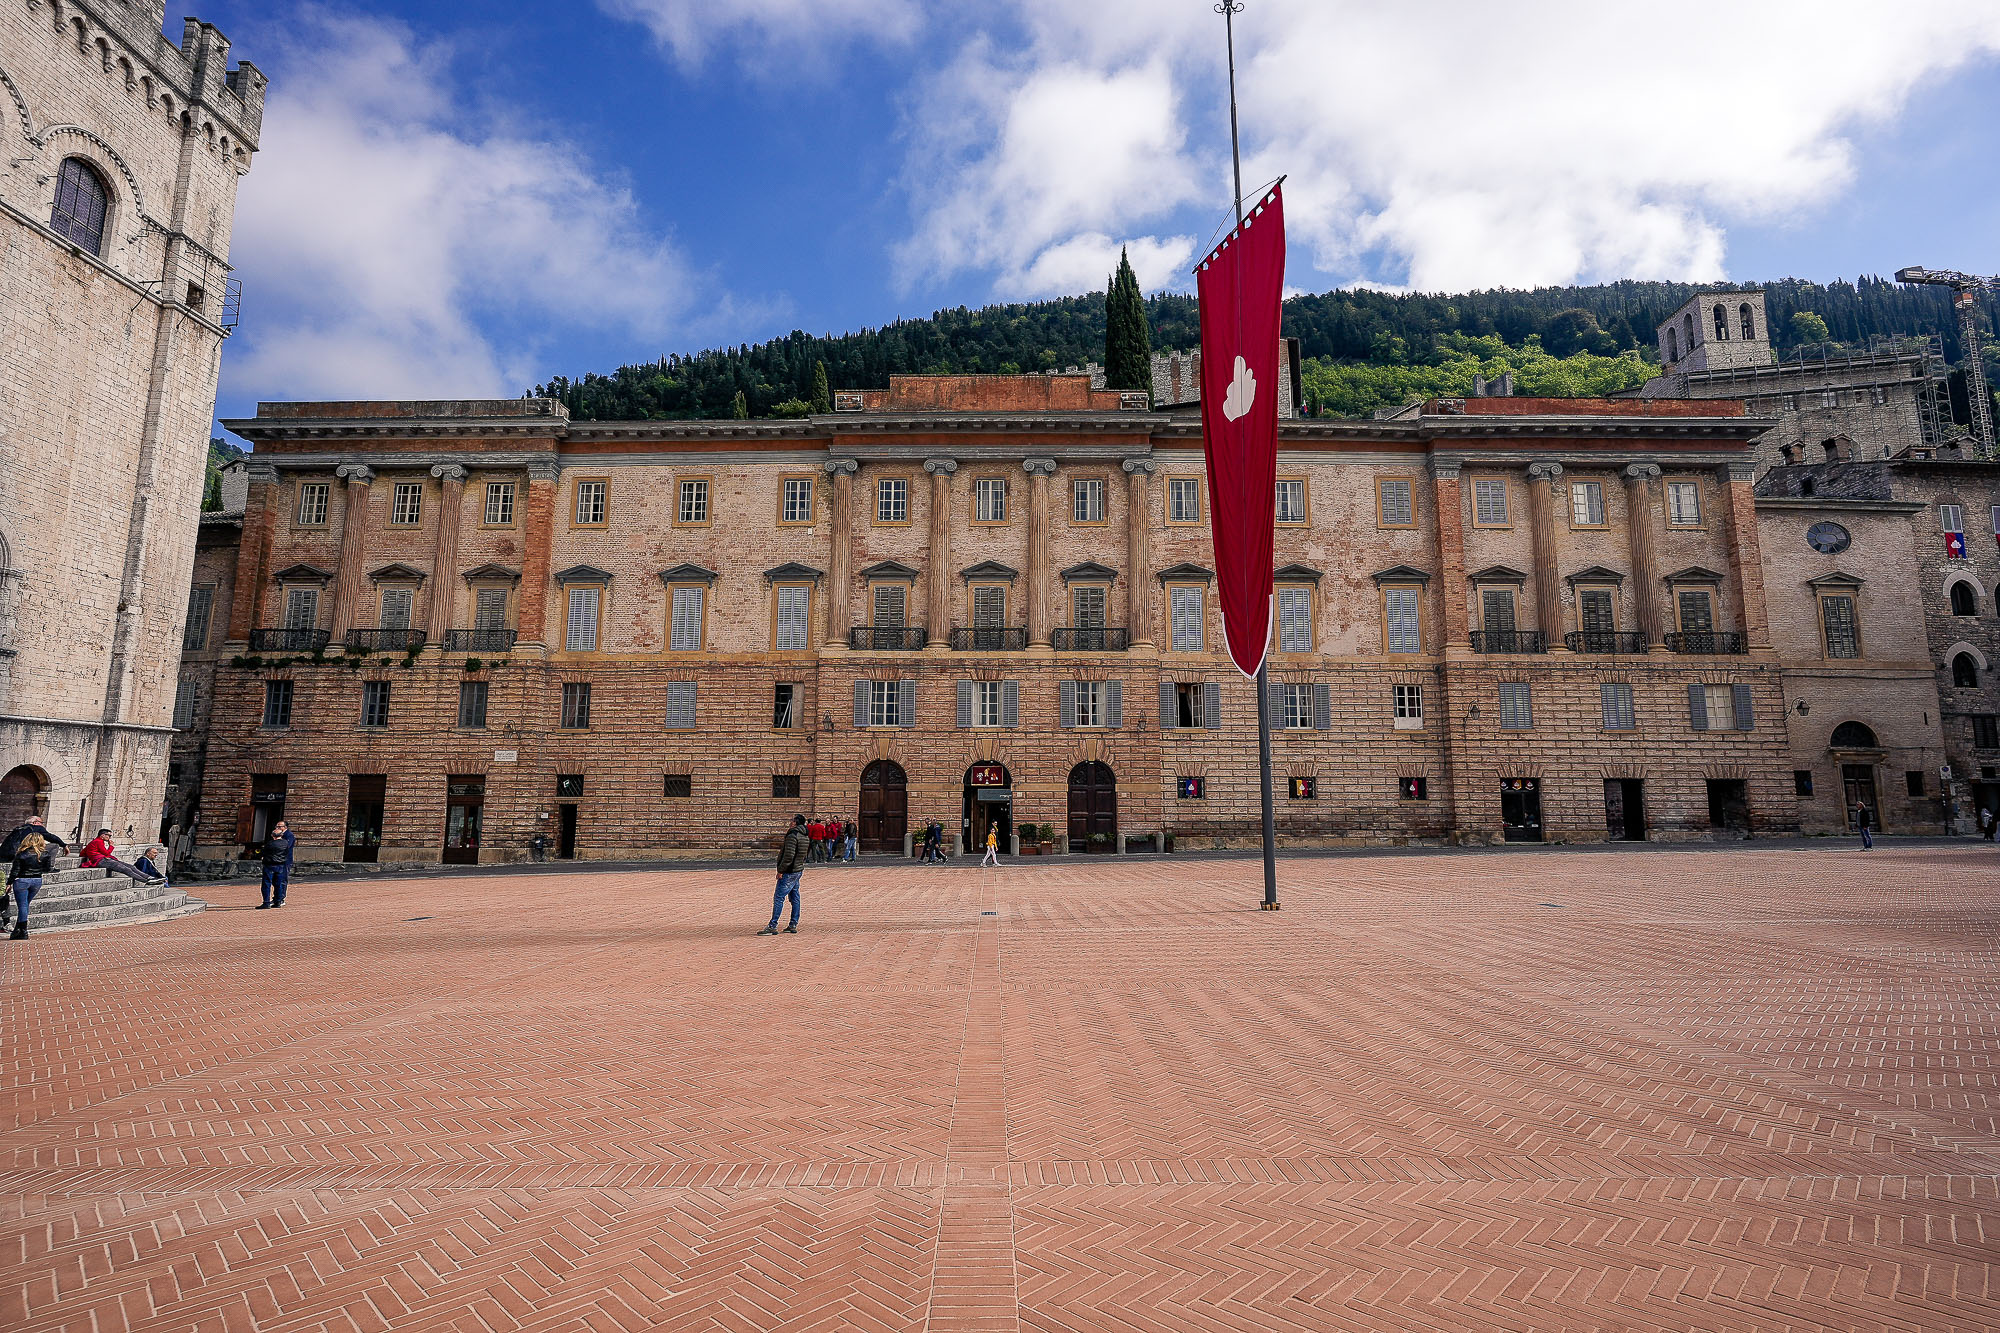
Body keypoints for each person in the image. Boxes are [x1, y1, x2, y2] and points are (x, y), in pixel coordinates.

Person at [760, 814, 809, 936]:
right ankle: (793, 924)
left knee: (779, 898)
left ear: (795, 823)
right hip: (798, 870)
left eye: (792, 820)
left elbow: (788, 856)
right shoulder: (805, 836)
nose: (790, 822)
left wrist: (781, 870)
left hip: (789, 871)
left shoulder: (793, 836)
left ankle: (772, 925)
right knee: (795, 897)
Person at [9, 830, 56, 939]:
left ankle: (23, 931)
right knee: (25, 905)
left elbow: (15, 870)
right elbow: (48, 868)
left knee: (23, 905)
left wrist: (9, 883)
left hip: (22, 880)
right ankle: (18, 930)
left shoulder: (22, 854)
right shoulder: (44, 854)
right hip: (36, 880)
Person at [81, 829, 166, 885]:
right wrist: (111, 846)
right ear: (102, 835)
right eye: (108, 835)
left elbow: (84, 851)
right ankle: (147, 880)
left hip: (104, 859)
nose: (109, 837)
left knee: (130, 867)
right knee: (126, 869)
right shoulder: (98, 842)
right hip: (101, 860)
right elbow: (106, 853)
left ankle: (149, 877)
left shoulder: (96, 842)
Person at [259, 819, 296, 908]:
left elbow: (286, 847)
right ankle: (277, 899)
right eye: (277, 826)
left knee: (281, 881)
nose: (277, 828)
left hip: (282, 861)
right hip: (279, 861)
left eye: (280, 826)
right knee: (277, 881)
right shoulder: (277, 840)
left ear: (285, 827)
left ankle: (280, 899)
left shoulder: (289, 836)